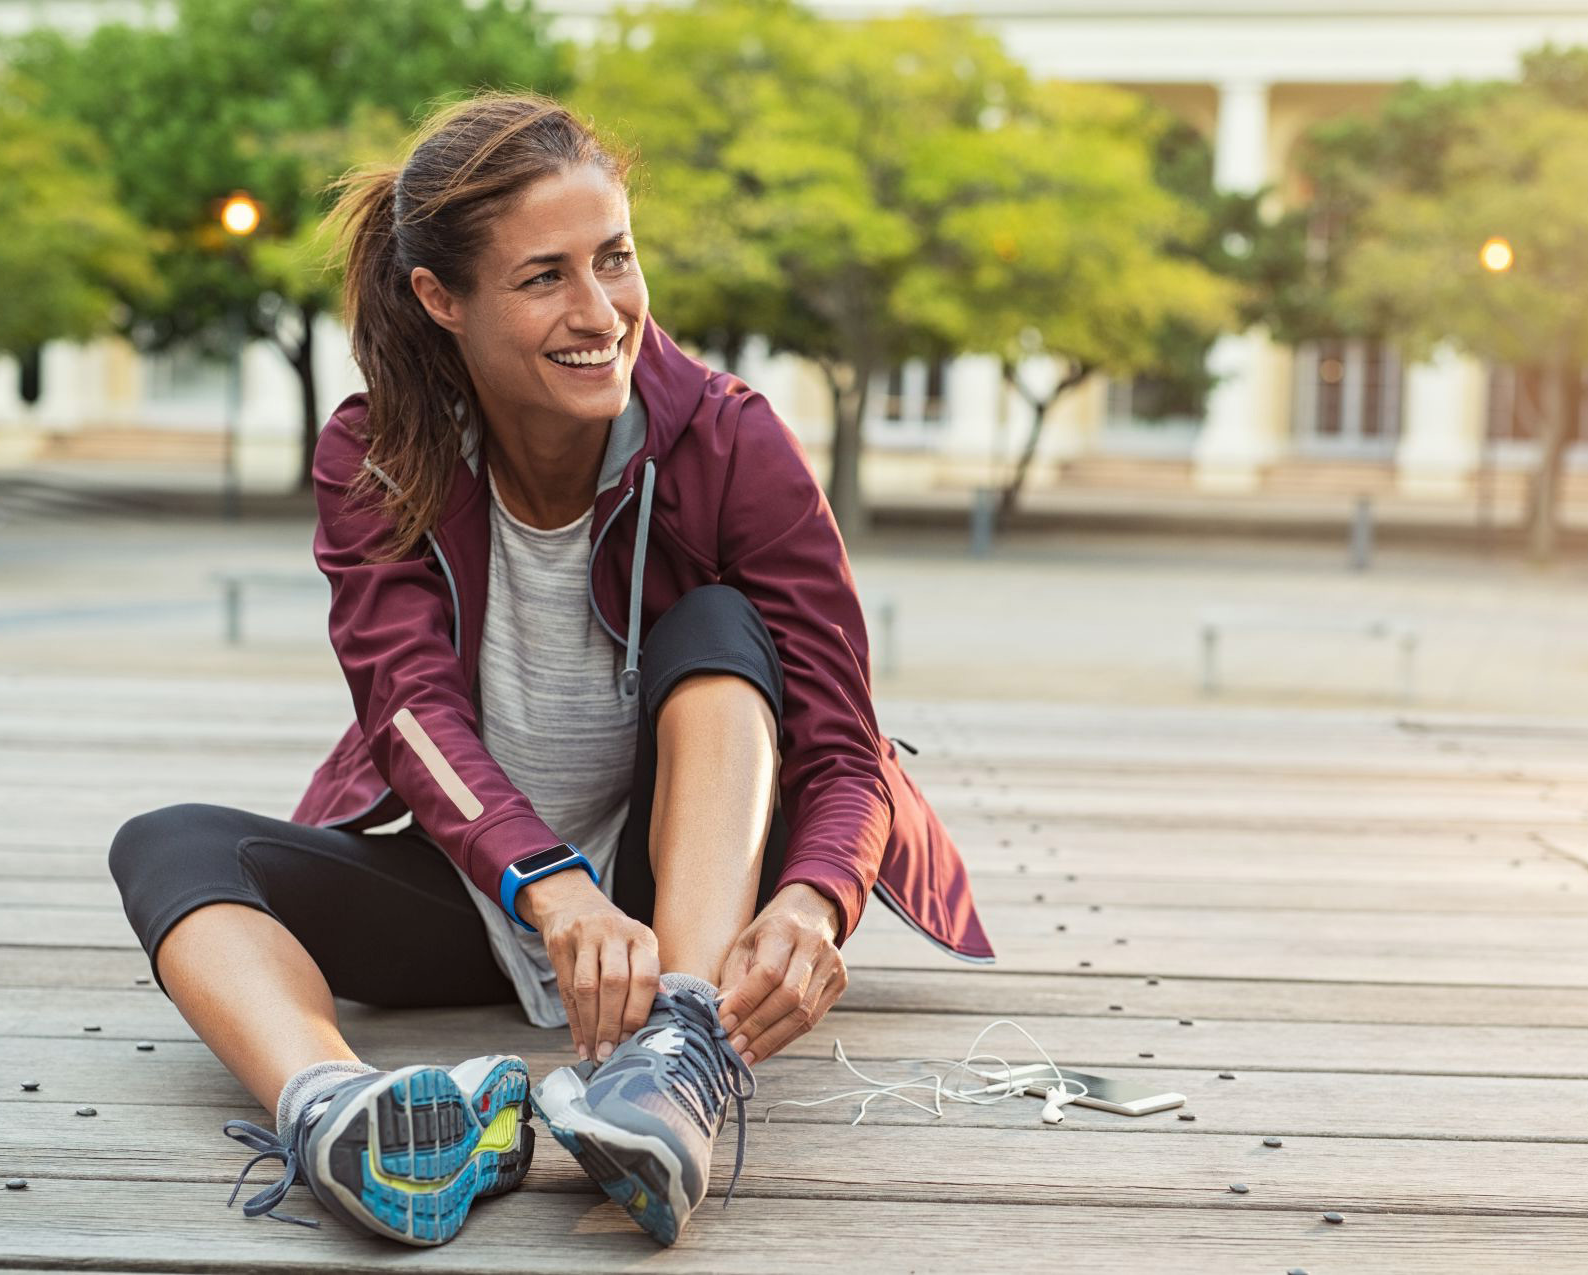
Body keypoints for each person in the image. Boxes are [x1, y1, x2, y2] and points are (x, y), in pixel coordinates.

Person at [107, 91, 992, 1250]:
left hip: (681, 900)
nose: (600, 311)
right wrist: (549, 886)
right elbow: (407, 713)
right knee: (168, 844)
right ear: (442, 299)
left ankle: (677, 1059)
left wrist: (814, 900)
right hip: (491, 887)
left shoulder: (732, 442)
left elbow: (841, 743)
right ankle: (334, 1111)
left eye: (614, 260)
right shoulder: (375, 454)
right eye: (544, 278)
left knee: (722, 628)